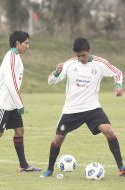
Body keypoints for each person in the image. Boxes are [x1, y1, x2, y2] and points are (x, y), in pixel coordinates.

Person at [41, 37, 125, 177]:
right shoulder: (69, 64)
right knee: (58, 139)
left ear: (89, 51)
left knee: (108, 131)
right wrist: (56, 72)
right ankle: (49, 170)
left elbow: (117, 73)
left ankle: (121, 167)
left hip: (92, 108)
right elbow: (51, 81)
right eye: (78, 56)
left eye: (84, 55)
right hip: (71, 110)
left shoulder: (100, 63)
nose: (81, 58)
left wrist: (118, 86)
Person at [0, 31, 41, 174]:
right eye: (26, 43)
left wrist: (17, 104)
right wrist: (20, 104)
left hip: (12, 103)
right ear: (17, 43)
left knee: (20, 131)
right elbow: (11, 83)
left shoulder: (16, 57)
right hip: (4, 104)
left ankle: (23, 165)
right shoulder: (11, 57)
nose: (28, 46)